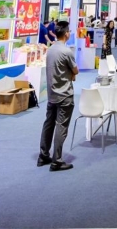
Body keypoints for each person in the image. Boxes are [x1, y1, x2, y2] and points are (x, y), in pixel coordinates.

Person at [38, 20, 78, 171]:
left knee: (49, 124)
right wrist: (71, 74)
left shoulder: (51, 49)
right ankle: (57, 160)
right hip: (64, 95)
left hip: (52, 94)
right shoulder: (67, 52)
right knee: (61, 126)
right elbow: (75, 70)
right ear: (66, 34)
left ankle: (43, 155)